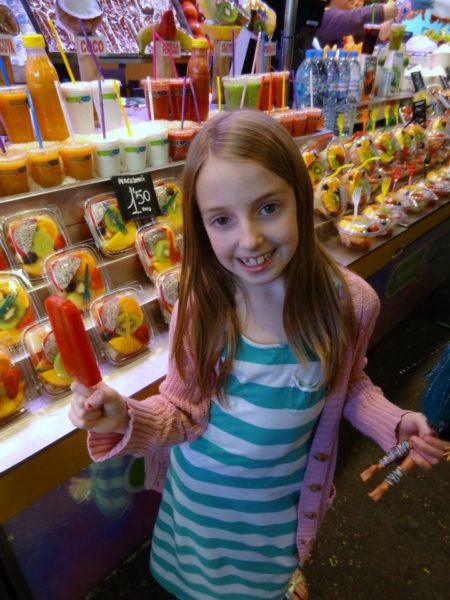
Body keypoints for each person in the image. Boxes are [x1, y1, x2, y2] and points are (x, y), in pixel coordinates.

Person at [69, 110, 448, 600]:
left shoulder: (350, 306)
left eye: (269, 207)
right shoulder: (201, 306)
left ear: (300, 197)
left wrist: (393, 423)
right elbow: (182, 412)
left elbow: (347, 384)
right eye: (222, 220)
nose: (249, 239)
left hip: (273, 519)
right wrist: (125, 417)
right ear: (201, 228)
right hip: (199, 515)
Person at [316, 0, 435, 48]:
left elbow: (377, 36)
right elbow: (359, 18)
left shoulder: (350, 33)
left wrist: (398, 16)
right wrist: (402, 6)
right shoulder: (325, 17)